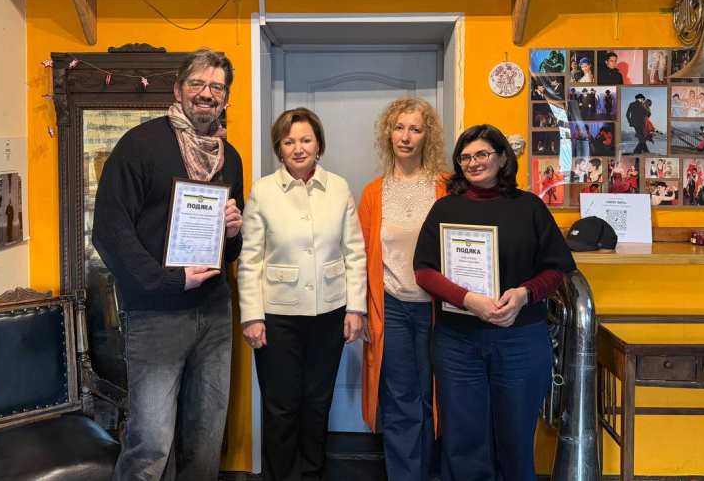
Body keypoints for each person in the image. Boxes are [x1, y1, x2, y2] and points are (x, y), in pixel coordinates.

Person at [92, 49, 244, 481]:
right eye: (197, 83)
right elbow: (109, 232)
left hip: (214, 312)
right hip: (156, 315)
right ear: (178, 90)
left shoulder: (229, 157)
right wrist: (168, 281)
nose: (207, 93)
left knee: (206, 436)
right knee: (151, 442)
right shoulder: (139, 146)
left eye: (217, 87)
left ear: (225, 99)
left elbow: (230, 250)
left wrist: (234, 231)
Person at [413, 124, 576, 481]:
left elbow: (556, 269)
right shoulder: (445, 209)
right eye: (465, 157)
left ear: (502, 158)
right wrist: (467, 299)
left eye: (482, 154)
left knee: (515, 442)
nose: (473, 163)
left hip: (520, 339)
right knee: (464, 442)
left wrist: (525, 294)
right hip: (457, 342)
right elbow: (423, 271)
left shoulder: (529, 207)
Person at [237, 108, 367, 481]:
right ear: (279, 147)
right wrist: (252, 316)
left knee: (317, 401)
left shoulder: (338, 187)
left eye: (306, 140)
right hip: (277, 317)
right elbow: (249, 259)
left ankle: (311, 473)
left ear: (318, 144)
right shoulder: (263, 190)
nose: (298, 148)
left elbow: (355, 252)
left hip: (330, 312)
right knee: (281, 406)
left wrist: (356, 308)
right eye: (289, 141)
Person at [358, 98, 447, 481]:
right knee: (399, 400)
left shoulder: (446, 187)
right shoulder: (373, 193)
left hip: (437, 310)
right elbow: (359, 258)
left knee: (435, 397)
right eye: (398, 128)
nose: (405, 137)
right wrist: (359, 309)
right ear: (388, 134)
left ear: (428, 136)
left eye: (415, 129)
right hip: (391, 308)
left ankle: (430, 472)